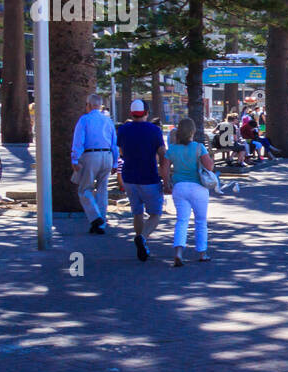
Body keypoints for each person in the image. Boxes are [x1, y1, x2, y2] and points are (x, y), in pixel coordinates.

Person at [116, 100, 172, 261]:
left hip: (128, 176)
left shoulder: (124, 129)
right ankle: (143, 238)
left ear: (131, 113)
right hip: (149, 176)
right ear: (146, 112)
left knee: (137, 212)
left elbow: (121, 151)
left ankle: (142, 244)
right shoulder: (154, 130)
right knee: (155, 213)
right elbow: (162, 155)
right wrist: (166, 180)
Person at [165, 117, 214, 267]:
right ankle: (202, 252)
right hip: (198, 187)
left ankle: (179, 253)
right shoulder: (199, 147)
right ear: (193, 131)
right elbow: (210, 167)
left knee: (182, 220)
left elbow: (165, 167)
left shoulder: (172, 149)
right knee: (200, 221)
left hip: (179, 187)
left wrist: (167, 182)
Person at [71, 93, 119, 234]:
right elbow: (114, 143)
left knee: (84, 189)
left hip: (91, 155)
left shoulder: (84, 120)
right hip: (107, 156)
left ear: (89, 105)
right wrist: (115, 162)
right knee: (102, 190)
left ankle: (95, 217)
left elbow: (78, 141)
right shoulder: (108, 121)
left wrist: (75, 159)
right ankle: (100, 224)